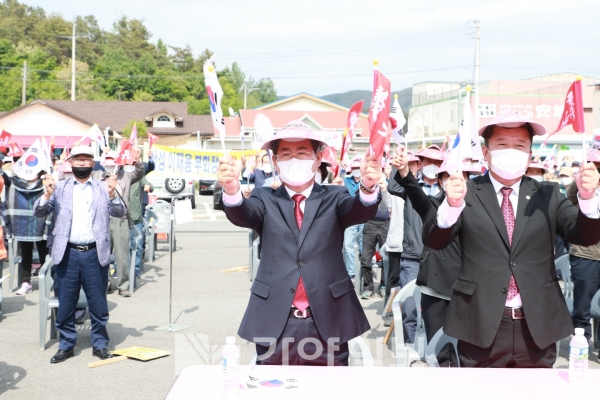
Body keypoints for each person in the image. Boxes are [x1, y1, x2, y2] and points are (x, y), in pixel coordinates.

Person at [422, 112, 600, 367]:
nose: (511, 151)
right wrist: (450, 206)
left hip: (536, 324)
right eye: (502, 144)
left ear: (529, 154)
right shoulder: (465, 192)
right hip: (480, 322)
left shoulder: (548, 194)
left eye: (520, 145)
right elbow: (434, 240)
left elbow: (585, 235)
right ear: (486, 152)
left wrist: (588, 198)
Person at [218, 120, 381, 366]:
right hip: (275, 320)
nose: (294, 159)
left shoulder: (334, 197)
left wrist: (368, 187)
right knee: (271, 388)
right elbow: (244, 213)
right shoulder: (265, 198)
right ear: (275, 161)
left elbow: (358, 210)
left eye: (302, 153)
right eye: (285, 154)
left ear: (317, 158)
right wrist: (231, 189)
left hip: (328, 318)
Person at [33, 145, 126, 363]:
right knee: (66, 303)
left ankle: (100, 344)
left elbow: (121, 212)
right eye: (78, 160)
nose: (82, 163)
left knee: (98, 303)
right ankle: (66, 345)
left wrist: (113, 194)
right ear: (70, 163)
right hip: (68, 253)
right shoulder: (60, 187)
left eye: (86, 160)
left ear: (92, 164)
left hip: (95, 253)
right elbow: (39, 212)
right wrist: (46, 193)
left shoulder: (104, 187)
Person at [393, 153, 481, 365]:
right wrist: (405, 172)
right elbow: (416, 194)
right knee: (439, 351)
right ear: (441, 183)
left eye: (460, 178)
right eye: (447, 178)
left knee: (467, 353)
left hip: (469, 291)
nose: (454, 183)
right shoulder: (433, 206)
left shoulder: (479, 211)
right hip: (436, 290)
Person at [93, 150, 144, 297]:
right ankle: (105, 284)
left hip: (120, 219)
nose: (110, 166)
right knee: (102, 254)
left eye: (113, 162)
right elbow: (74, 174)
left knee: (122, 255)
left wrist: (138, 160)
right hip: (100, 218)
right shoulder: (96, 175)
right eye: (107, 162)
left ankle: (123, 285)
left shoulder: (126, 176)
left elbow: (139, 173)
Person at [566, 150, 600, 344]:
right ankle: (581, 342)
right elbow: (572, 195)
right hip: (586, 254)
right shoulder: (584, 185)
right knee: (582, 305)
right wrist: (584, 174)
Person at [6, 170, 49, 295]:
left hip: (39, 222)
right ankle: (26, 283)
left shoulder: (45, 183)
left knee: (44, 253)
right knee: (25, 254)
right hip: (23, 223)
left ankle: (46, 280)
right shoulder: (15, 183)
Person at [360, 172, 391, 299]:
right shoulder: (367, 188)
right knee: (365, 259)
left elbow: (390, 203)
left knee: (386, 259)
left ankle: (384, 286)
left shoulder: (388, 187)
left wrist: (384, 188)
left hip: (386, 223)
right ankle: (368, 287)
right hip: (370, 223)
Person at [343, 157, 364, 279]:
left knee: (363, 248)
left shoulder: (367, 181)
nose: (357, 170)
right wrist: (342, 168)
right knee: (348, 246)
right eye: (355, 168)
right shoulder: (346, 181)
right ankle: (351, 273)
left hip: (364, 218)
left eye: (359, 168)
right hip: (350, 218)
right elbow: (337, 181)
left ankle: (362, 273)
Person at [129, 176, 153, 278]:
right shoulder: (116, 175)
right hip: (119, 218)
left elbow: (149, 185)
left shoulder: (138, 177)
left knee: (137, 245)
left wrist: (148, 186)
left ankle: (136, 269)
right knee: (120, 247)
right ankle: (118, 269)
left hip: (136, 218)